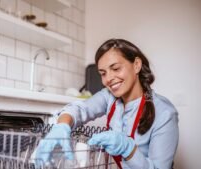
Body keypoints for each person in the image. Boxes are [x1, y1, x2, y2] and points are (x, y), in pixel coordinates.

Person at [35, 39, 179, 169]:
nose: (108, 78)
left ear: (136, 65)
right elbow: (79, 109)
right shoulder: (109, 97)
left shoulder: (164, 113)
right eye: (103, 73)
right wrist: (62, 126)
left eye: (116, 69)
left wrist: (128, 150)